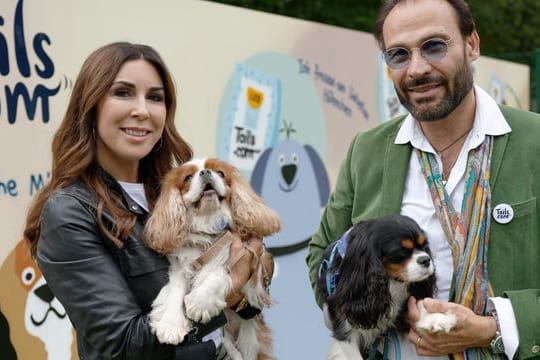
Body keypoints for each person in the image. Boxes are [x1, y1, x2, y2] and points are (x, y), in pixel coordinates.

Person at [307, 0, 540, 359]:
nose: (416, 69)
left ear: (472, 44)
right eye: (398, 55)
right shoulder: (367, 151)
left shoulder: (533, 143)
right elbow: (321, 257)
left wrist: (493, 329)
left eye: (434, 46)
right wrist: (361, 312)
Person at [23, 42, 263, 360]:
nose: (142, 110)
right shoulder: (69, 212)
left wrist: (245, 289)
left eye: (155, 97)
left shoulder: (178, 191)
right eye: (123, 93)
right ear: (91, 107)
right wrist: (224, 290)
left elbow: (248, 297)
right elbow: (122, 345)